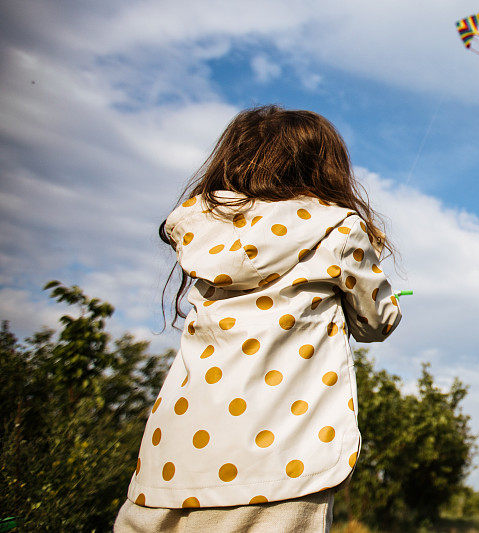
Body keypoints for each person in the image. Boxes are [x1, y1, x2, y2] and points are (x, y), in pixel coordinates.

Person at [114, 104, 403, 532]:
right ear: (324, 169)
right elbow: (376, 321)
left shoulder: (201, 227)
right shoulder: (338, 229)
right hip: (281, 463)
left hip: (171, 461)